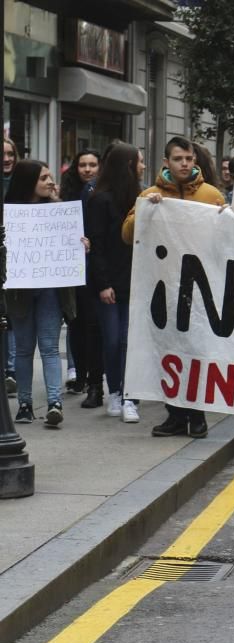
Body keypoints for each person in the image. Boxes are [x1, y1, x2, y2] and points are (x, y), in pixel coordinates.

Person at [123, 136, 226, 438]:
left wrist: (226, 217)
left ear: (195, 161)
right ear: (166, 162)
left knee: (195, 352)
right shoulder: (150, 194)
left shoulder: (211, 196)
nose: (184, 164)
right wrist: (145, 212)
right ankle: (176, 415)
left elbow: (229, 240)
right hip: (162, 287)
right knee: (167, 353)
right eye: (178, 159)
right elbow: (128, 235)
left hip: (199, 288)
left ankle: (197, 415)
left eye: (189, 159)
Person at [6, 160, 81, 427]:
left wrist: (80, 244)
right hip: (19, 292)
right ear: (29, 183)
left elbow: (71, 249)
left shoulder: (60, 212)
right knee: (25, 349)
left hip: (50, 289)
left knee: (49, 348)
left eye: (50, 177)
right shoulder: (10, 214)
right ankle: (25, 404)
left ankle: (54, 403)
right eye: (44, 178)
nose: (51, 182)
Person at [87, 143, 146, 424]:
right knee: (111, 341)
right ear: (128, 166)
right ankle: (114, 391)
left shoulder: (141, 197)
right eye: (139, 162)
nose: (143, 167)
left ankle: (130, 398)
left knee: (127, 341)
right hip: (109, 282)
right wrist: (103, 283)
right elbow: (96, 244)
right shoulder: (100, 200)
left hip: (134, 280)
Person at [60, 150, 105, 407]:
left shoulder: (100, 194)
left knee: (90, 325)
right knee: (75, 324)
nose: (87, 169)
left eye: (92, 165)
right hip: (70, 269)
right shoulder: (67, 195)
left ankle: (92, 379)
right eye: (82, 165)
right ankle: (79, 375)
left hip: (91, 269)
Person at [3, 138, 20, 395]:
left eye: (10, 154)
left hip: (19, 260)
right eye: (1, 154)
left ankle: (11, 369)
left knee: (12, 316)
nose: (6, 159)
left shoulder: (22, 183)